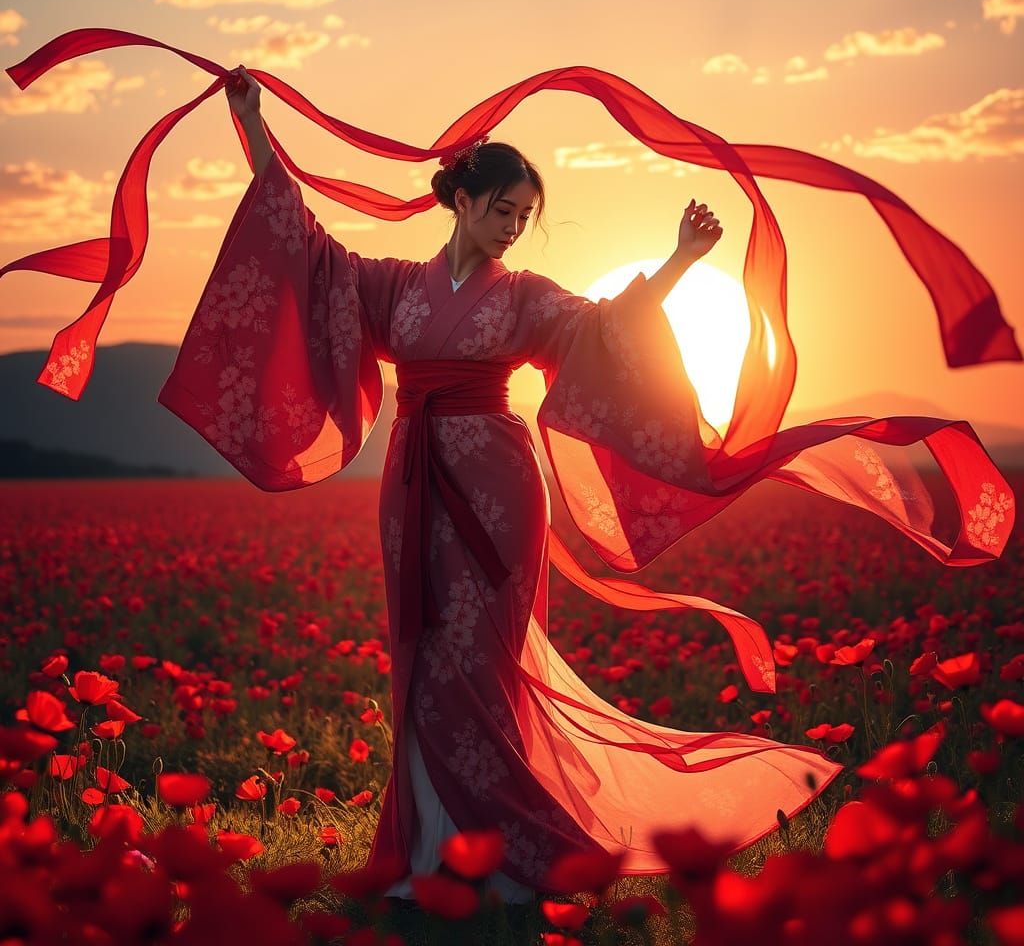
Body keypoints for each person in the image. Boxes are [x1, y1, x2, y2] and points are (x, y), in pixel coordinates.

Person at [161, 66, 855, 901]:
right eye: (502, 209)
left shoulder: (525, 297)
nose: (513, 228)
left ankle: (498, 859)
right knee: (420, 652)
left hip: (498, 486)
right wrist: (252, 126)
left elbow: (604, 331)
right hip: (412, 481)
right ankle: (429, 855)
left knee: (476, 657)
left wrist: (678, 260)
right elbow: (304, 248)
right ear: (461, 200)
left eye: (525, 217)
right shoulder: (391, 287)